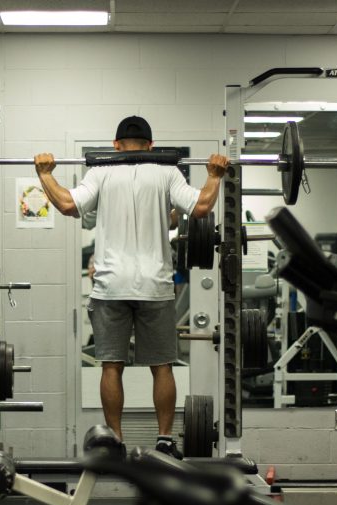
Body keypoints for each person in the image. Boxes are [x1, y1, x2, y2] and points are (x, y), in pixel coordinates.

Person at [35, 115, 228, 459]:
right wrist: (214, 177)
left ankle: (116, 439)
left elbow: (67, 204)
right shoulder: (167, 172)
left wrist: (45, 174)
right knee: (162, 365)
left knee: (111, 366)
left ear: (115, 145)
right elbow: (201, 207)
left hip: (110, 286)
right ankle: (165, 438)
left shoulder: (100, 171)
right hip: (155, 285)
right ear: (152, 146)